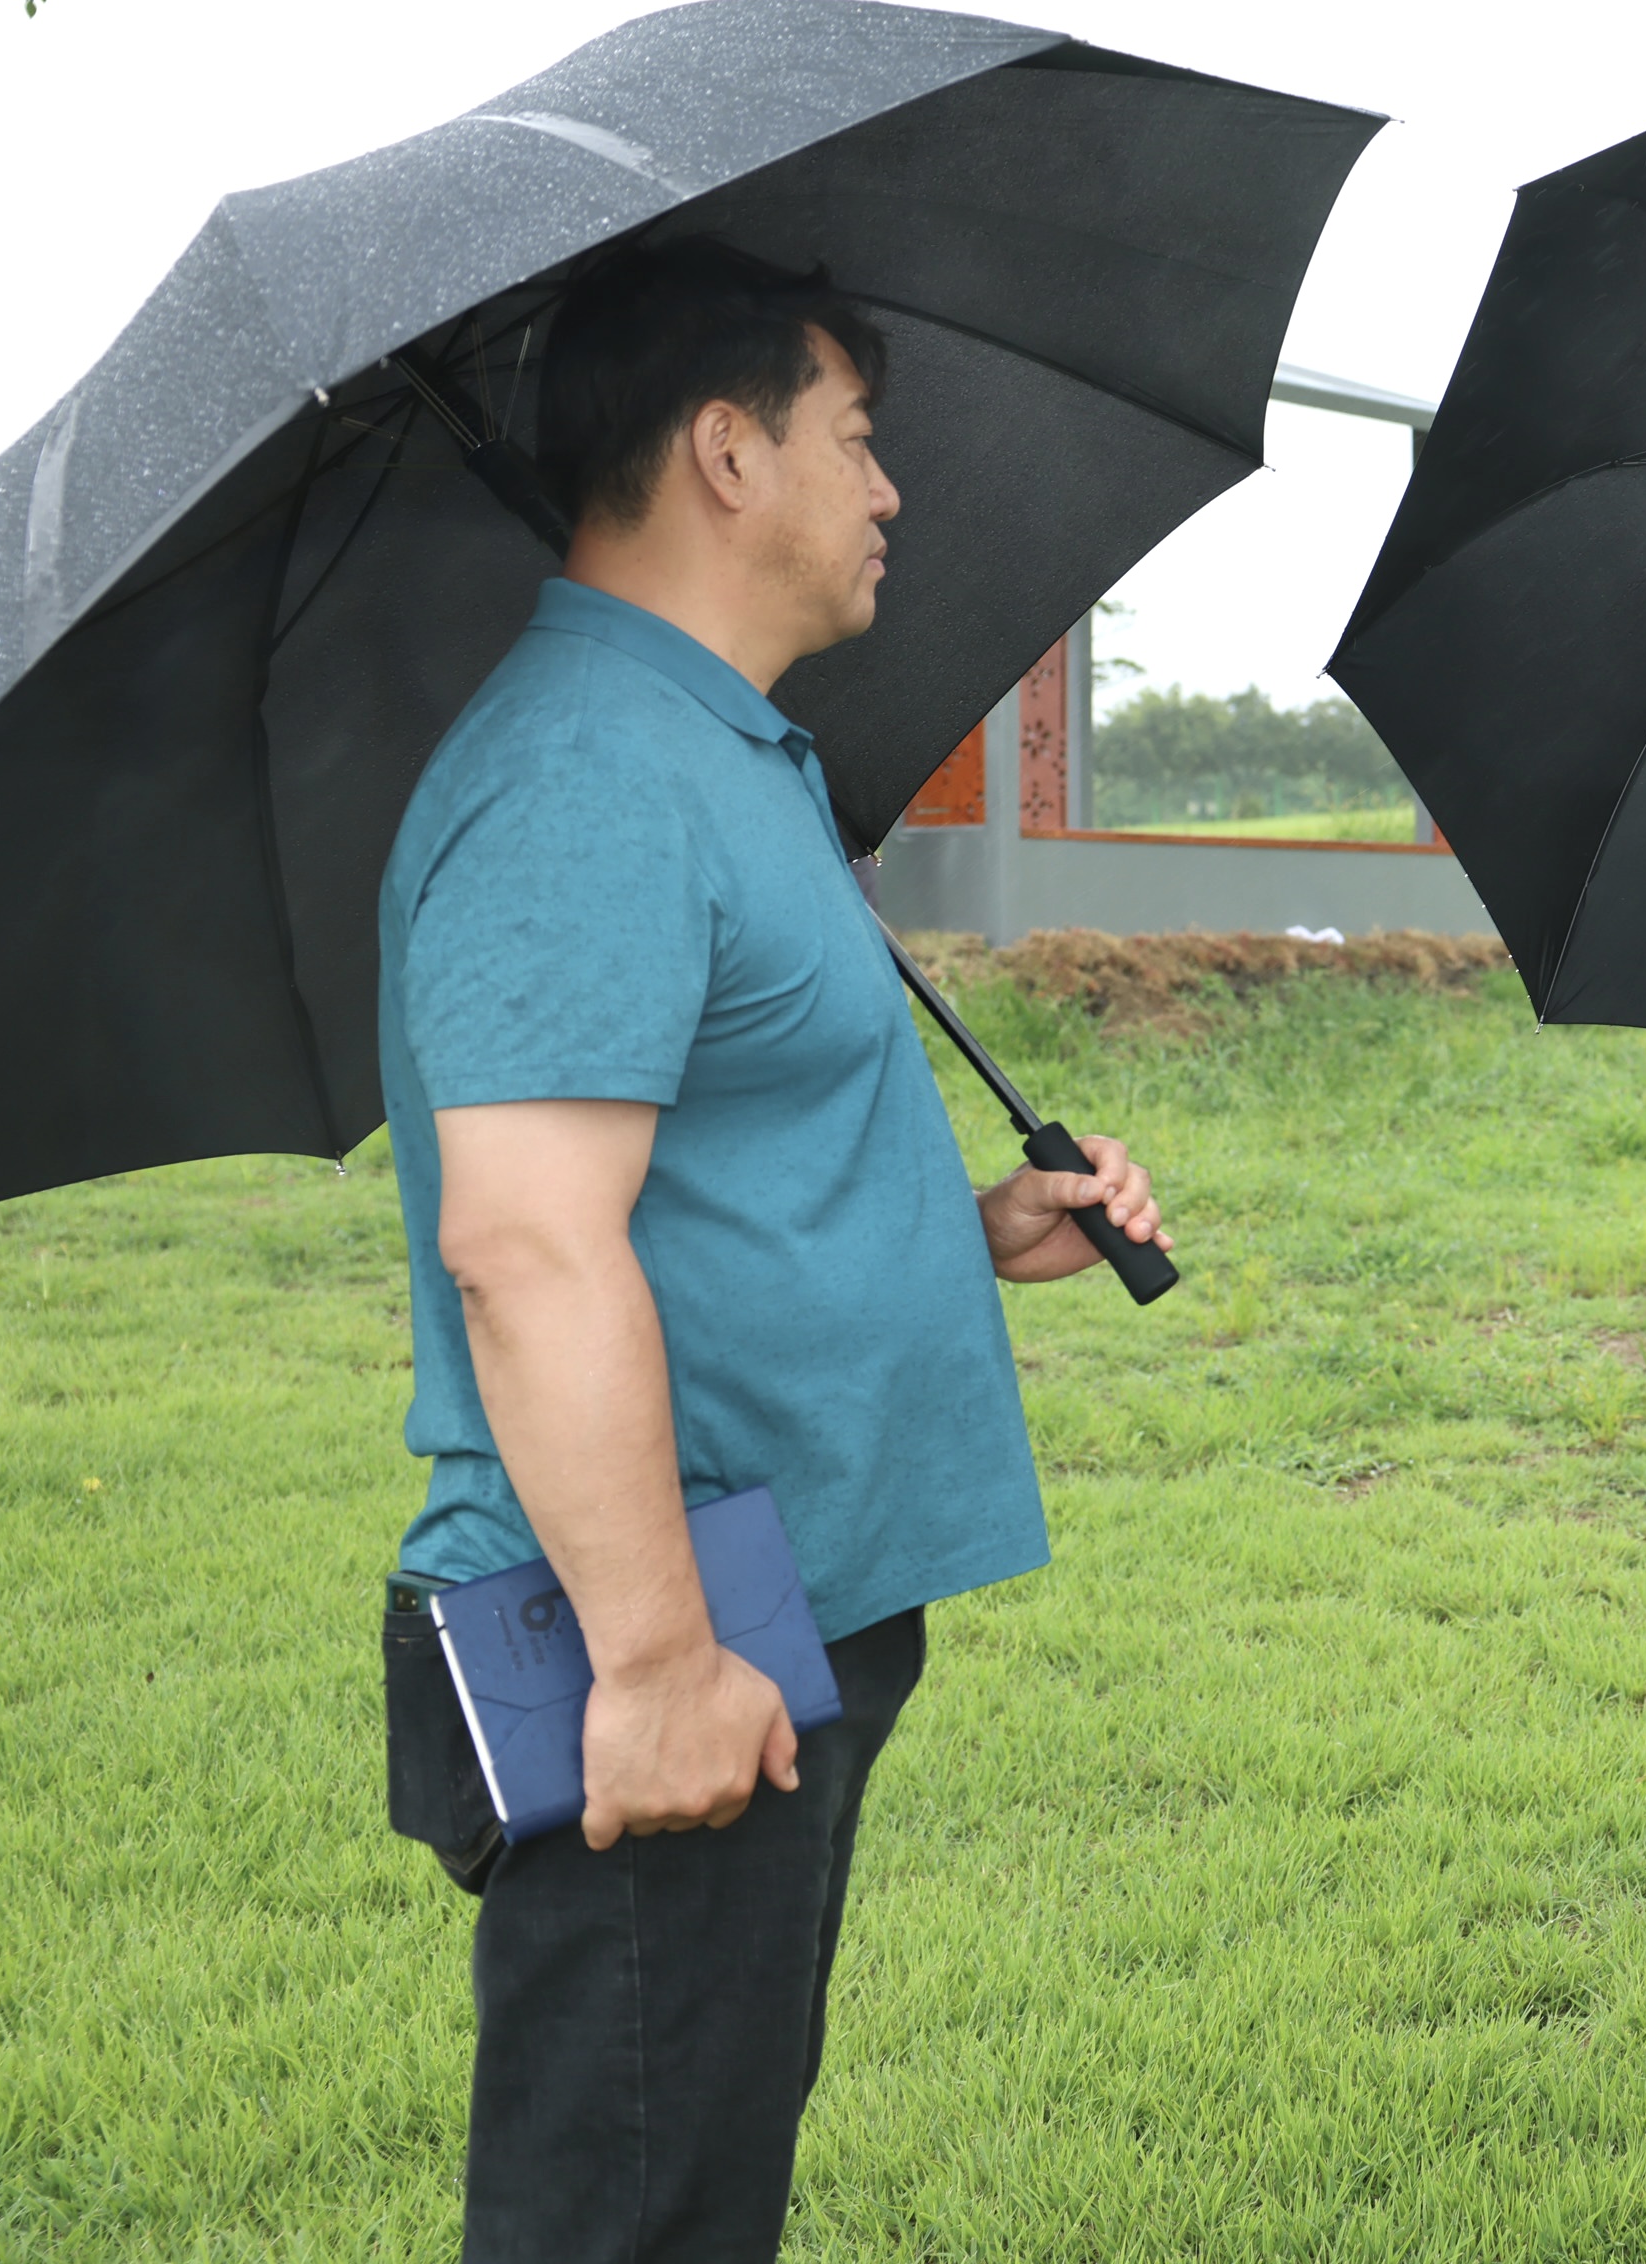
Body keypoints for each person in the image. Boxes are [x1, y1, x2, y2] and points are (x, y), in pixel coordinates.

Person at [374, 240, 1169, 2264]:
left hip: (767, 1618)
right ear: (729, 454)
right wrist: (650, 1663)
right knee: (621, 2219)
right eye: (857, 439)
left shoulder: (717, 751)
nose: (890, 491)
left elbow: (701, 1159)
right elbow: (529, 1249)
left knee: (697, 2192)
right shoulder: (584, 777)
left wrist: (967, 1231)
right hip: (666, 1634)